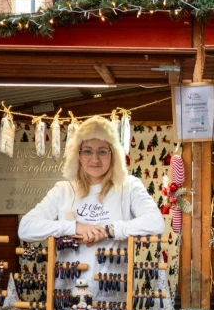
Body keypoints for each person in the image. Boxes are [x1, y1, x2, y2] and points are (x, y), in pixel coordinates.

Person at [18, 116, 164, 298]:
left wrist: (110, 230)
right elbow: (25, 228)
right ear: (78, 155)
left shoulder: (129, 186)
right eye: (87, 151)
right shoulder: (63, 189)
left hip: (112, 300)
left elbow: (156, 222)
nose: (94, 159)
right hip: (66, 298)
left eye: (102, 151)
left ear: (113, 154)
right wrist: (74, 227)